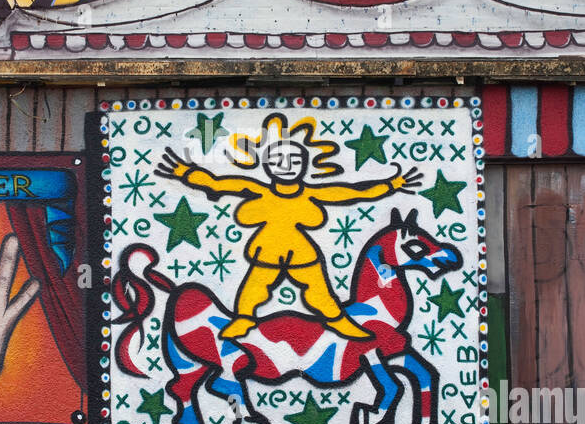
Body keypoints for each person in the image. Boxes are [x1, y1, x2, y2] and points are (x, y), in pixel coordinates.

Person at [155, 116, 419, 341]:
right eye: (277, 159)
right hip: (268, 251)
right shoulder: (257, 190)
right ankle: (244, 319)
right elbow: (218, 183)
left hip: (302, 253)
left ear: (304, 164)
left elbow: (352, 192)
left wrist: (391, 185)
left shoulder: (312, 193)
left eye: (294, 159)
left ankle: (337, 320)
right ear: (266, 165)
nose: (286, 165)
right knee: (254, 288)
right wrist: (186, 173)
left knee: (319, 291)